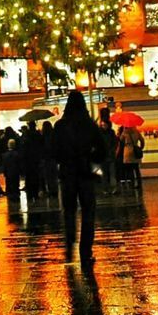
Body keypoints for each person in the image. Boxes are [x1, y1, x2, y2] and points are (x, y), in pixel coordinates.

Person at [53, 90, 104, 267]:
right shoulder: (88, 125)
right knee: (88, 212)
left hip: (67, 173)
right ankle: (85, 251)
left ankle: (69, 245)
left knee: (69, 211)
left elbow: (53, 151)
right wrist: (92, 159)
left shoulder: (60, 126)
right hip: (85, 173)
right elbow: (102, 149)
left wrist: (63, 160)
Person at [41, 120, 59, 199]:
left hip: (46, 158)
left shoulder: (43, 136)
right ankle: (55, 190)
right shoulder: (54, 135)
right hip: (53, 157)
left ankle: (51, 190)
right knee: (54, 175)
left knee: (48, 176)